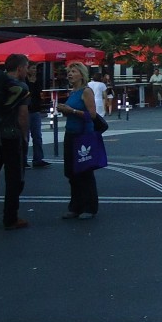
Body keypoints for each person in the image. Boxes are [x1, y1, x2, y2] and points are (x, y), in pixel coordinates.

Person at [0, 53, 32, 231]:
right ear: (20, 67)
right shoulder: (20, 86)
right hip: (11, 137)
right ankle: (10, 217)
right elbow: (22, 116)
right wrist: (25, 136)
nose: (27, 71)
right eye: (27, 67)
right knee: (14, 179)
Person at [57, 61, 100, 220]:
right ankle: (76, 206)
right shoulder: (73, 92)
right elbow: (72, 112)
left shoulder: (86, 91)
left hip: (83, 136)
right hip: (71, 134)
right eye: (69, 71)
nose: (70, 74)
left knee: (84, 172)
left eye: (73, 71)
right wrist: (65, 111)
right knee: (71, 172)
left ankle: (89, 206)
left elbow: (92, 115)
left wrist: (72, 110)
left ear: (81, 74)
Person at [24, 62, 51, 168]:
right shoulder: (24, 81)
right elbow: (28, 93)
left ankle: (38, 158)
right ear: (28, 69)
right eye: (33, 68)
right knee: (25, 136)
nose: (35, 70)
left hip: (35, 109)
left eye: (35, 68)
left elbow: (38, 92)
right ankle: (23, 160)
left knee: (37, 136)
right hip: (26, 110)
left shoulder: (38, 79)